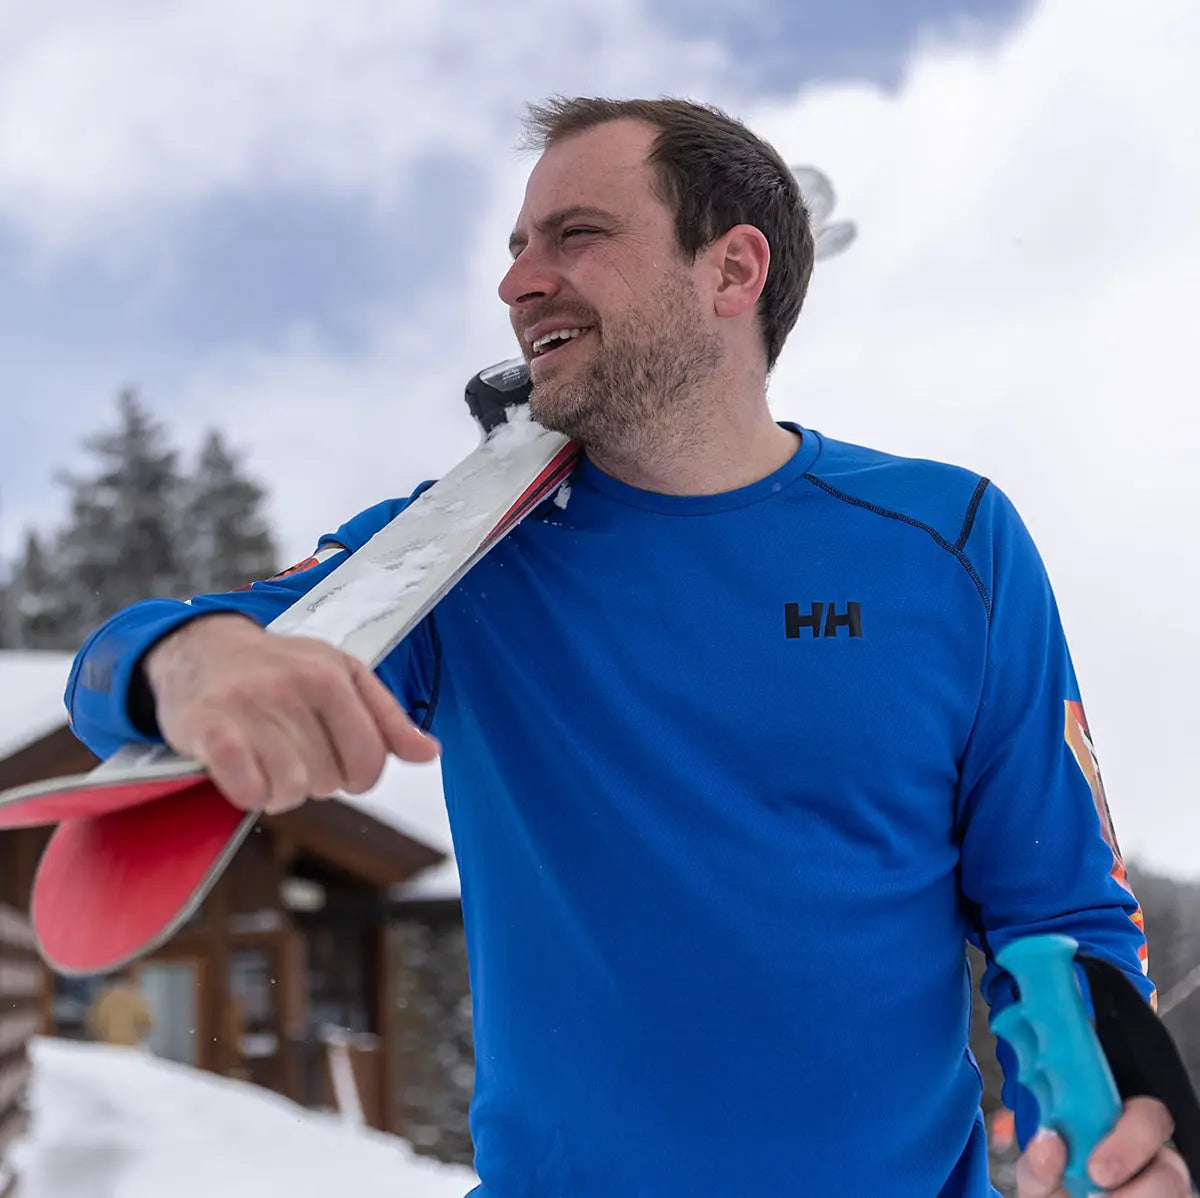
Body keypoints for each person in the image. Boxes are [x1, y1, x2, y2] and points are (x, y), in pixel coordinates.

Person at [63, 97, 1186, 1197]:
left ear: (733, 273)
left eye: (577, 236)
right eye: (514, 250)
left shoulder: (948, 543)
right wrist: (196, 662)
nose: (516, 281)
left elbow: (1057, 911)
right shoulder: (460, 556)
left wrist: (1103, 1135)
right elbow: (135, 661)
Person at [86, 967, 154, 1049]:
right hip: (130, 1047)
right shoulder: (134, 997)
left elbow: (94, 1022)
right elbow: (146, 1021)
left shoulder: (104, 996)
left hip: (108, 1047)